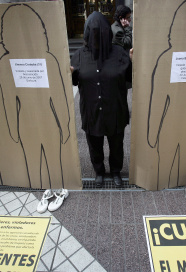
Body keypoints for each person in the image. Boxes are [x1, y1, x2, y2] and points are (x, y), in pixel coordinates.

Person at [71, 11, 132, 187]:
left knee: (116, 145)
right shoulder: (80, 55)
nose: (97, 36)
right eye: (93, 32)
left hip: (114, 110)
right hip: (91, 111)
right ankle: (99, 171)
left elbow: (130, 78)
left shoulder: (120, 53)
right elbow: (74, 81)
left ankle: (115, 171)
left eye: (101, 32)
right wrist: (70, 72)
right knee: (94, 145)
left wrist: (132, 62)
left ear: (107, 32)